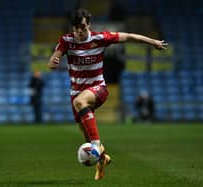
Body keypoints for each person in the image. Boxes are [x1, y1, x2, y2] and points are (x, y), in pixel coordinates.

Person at [48, 8, 167, 180]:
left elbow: (129, 36)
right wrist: (54, 60)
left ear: (88, 24)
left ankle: (97, 145)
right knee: (86, 134)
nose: (79, 31)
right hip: (76, 94)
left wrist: (153, 42)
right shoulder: (67, 41)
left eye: (82, 26)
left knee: (82, 105)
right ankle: (102, 159)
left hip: (98, 89)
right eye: (75, 28)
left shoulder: (100, 38)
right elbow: (55, 56)